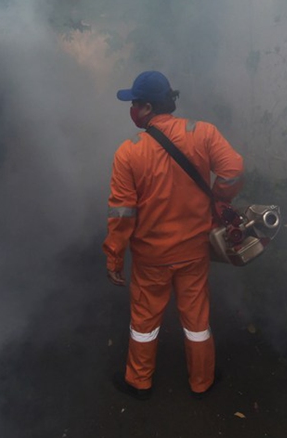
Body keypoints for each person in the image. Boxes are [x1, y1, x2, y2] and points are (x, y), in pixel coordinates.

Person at [104, 71, 244, 400]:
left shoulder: (129, 152)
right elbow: (233, 170)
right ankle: (202, 380)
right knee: (196, 318)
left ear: (148, 107)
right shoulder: (203, 133)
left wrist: (113, 256)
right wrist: (219, 198)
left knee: (145, 321)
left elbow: (122, 213)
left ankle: (138, 382)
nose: (133, 109)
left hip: (151, 257)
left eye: (135, 103)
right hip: (194, 251)